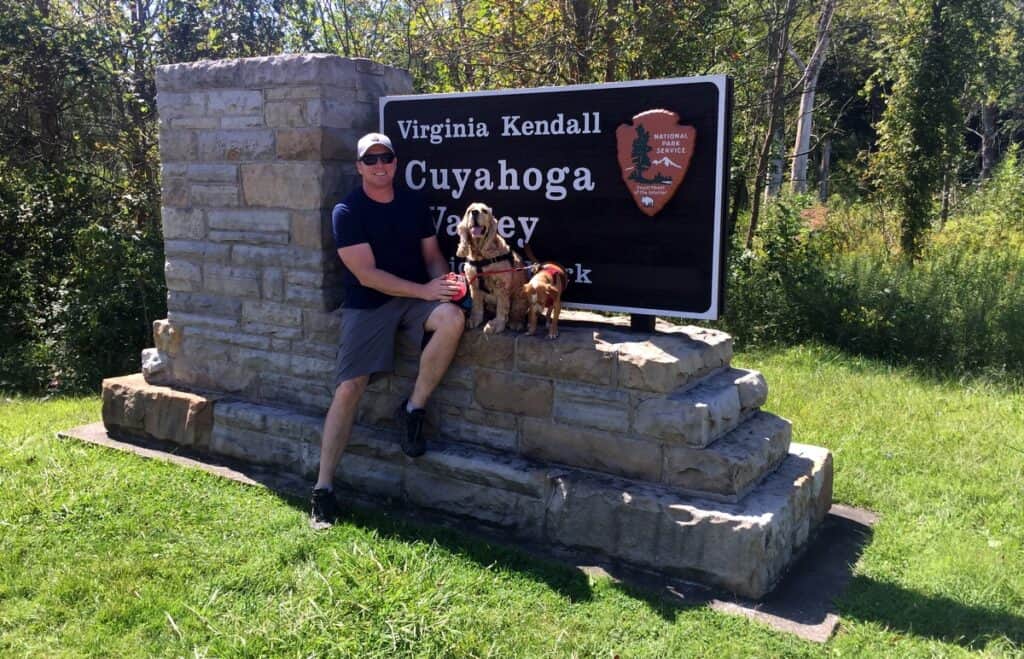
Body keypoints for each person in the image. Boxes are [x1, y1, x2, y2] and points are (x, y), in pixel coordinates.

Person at [310, 132, 465, 529]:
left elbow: (431, 256)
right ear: (360, 166)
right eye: (371, 160)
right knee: (349, 386)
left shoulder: (413, 203)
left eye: (387, 159)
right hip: (370, 303)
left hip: (415, 298)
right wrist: (424, 289)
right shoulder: (348, 210)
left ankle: (413, 408)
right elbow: (368, 275)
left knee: (451, 319)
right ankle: (324, 490)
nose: (380, 166)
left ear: (395, 163)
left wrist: (443, 288)